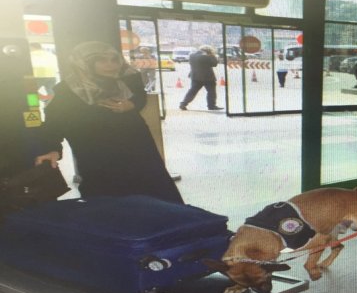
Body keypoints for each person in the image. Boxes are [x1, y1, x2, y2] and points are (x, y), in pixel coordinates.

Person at [34, 41, 184, 204]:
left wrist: (132, 104)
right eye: (103, 60)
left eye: (114, 60)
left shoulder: (127, 78)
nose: (111, 65)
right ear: (85, 63)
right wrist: (51, 148)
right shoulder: (70, 90)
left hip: (138, 147)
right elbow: (55, 120)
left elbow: (140, 96)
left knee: (154, 191)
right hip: (97, 152)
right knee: (110, 200)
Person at [179, 45, 222, 111]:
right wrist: (212, 55)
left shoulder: (192, 56)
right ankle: (211, 106)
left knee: (192, 91)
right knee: (211, 92)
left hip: (195, 77)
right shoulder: (207, 57)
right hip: (208, 77)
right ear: (208, 51)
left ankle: (183, 104)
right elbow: (214, 64)